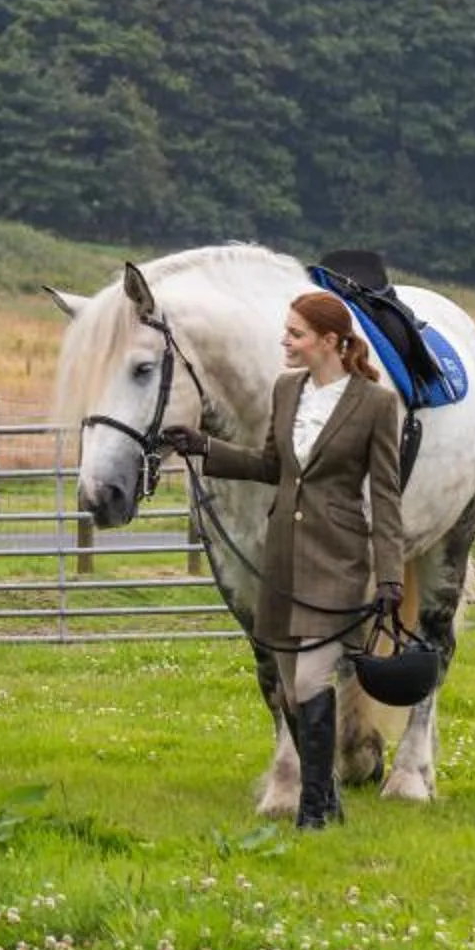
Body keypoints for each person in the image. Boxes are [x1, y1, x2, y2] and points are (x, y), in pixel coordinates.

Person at [160, 291, 404, 828]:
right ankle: (329, 802)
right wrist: (205, 448)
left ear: (330, 341)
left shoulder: (376, 405)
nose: (284, 342)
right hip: (284, 558)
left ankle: (314, 811)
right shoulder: (286, 390)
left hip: (338, 559)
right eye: (286, 331)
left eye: (295, 334)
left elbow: (385, 496)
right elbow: (272, 466)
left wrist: (389, 576)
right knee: (291, 686)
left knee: (313, 680)